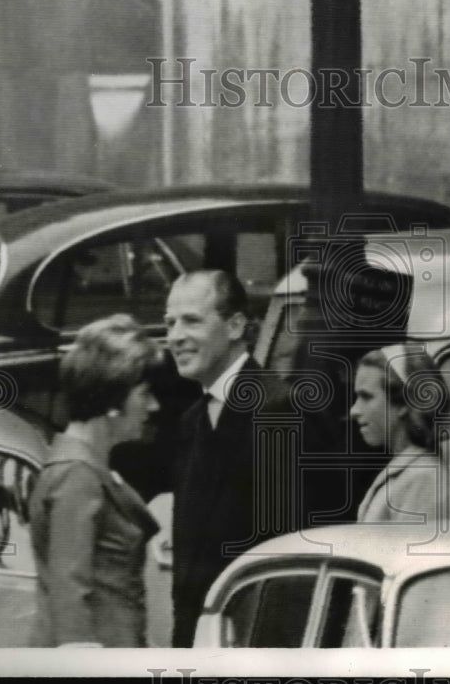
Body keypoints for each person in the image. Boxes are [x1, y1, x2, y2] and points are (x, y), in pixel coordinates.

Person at [161, 270, 298, 648]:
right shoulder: (192, 421)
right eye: (170, 323)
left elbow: (289, 553)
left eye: (191, 321)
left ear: (236, 325)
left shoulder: (277, 410)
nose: (175, 337)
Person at [29, 314, 163, 648]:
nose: (154, 405)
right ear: (113, 398)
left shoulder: (84, 466)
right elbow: (70, 593)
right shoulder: (78, 475)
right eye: (144, 394)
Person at [351, 344, 450, 523]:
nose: (354, 411)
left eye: (366, 397)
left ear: (403, 404)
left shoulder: (423, 479)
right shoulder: (408, 473)